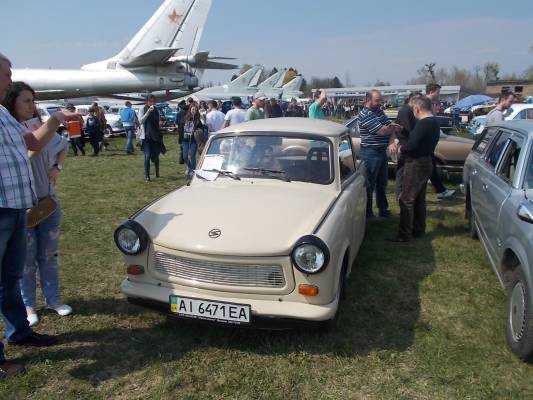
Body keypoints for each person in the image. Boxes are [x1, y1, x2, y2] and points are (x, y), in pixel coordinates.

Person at [0, 54, 79, 379]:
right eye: (6, 74)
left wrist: (56, 119)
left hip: (18, 206)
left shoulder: (2, 115)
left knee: (10, 278)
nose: (9, 80)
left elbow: (32, 142)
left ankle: (19, 332)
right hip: (3, 208)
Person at [4, 82, 72, 326]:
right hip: (23, 206)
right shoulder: (11, 131)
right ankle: (29, 305)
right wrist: (44, 133)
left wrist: (57, 167)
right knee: (26, 260)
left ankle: (53, 300)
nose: (31, 105)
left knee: (49, 255)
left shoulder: (40, 127)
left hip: (48, 203)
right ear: (12, 103)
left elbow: (63, 145)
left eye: (33, 100)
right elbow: (27, 154)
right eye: (26, 101)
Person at [391, 96, 440, 242]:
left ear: (418, 109)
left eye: (413, 109)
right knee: (419, 199)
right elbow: (416, 138)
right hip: (426, 161)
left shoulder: (423, 123)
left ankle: (404, 234)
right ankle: (418, 230)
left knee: (406, 199)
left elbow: (412, 145)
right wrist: (404, 130)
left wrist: (400, 149)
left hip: (416, 163)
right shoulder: (434, 121)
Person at [358, 89, 402, 218]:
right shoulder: (364, 114)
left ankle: (383, 210)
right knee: (369, 184)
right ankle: (368, 213)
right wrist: (392, 129)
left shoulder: (379, 111)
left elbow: (390, 127)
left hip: (381, 152)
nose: (380, 103)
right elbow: (382, 131)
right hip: (370, 153)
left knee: (382, 183)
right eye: (377, 100)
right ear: (368, 100)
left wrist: (392, 141)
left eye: (381, 100)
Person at [425, 83, 455, 199]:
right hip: (427, 141)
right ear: (431, 92)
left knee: (431, 165)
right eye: (437, 92)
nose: (439, 94)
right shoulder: (426, 103)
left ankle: (440, 189)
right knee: (430, 165)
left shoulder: (429, 103)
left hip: (429, 140)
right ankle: (440, 190)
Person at [139, 94, 165, 181]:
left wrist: (160, 123)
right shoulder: (143, 109)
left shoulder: (156, 110)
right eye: (151, 101)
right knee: (147, 156)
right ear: (147, 101)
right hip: (146, 137)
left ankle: (157, 172)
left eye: (154, 101)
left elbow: (157, 122)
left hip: (155, 136)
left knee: (156, 156)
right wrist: (148, 112)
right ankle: (147, 176)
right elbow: (140, 121)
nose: (152, 103)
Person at [181, 104, 204, 178]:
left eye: (195, 110)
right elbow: (180, 128)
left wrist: (196, 129)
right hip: (185, 139)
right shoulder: (185, 118)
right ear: (190, 109)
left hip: (194, 140)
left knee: (192, 156)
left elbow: (201, 129)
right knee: (185, 156)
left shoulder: (198, 119)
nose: (194, 111)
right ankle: (189, 167)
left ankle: (193, 170)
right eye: (193, 109)